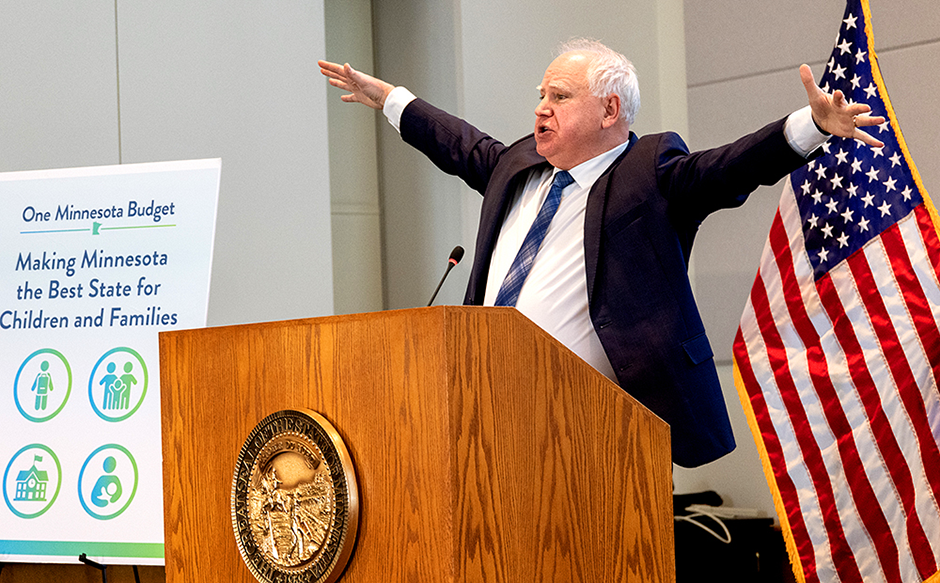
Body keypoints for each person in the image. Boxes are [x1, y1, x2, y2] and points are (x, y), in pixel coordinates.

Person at [318, 39, 884, 467]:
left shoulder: (650, 178)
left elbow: (729, 167)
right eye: (541, 95)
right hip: (482, 408)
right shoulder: (519, 168)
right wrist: (393, 100)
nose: (541, 108)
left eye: (560, 97)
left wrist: (811, 126)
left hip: (589, 429)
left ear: (610, 111)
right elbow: (459, 143)